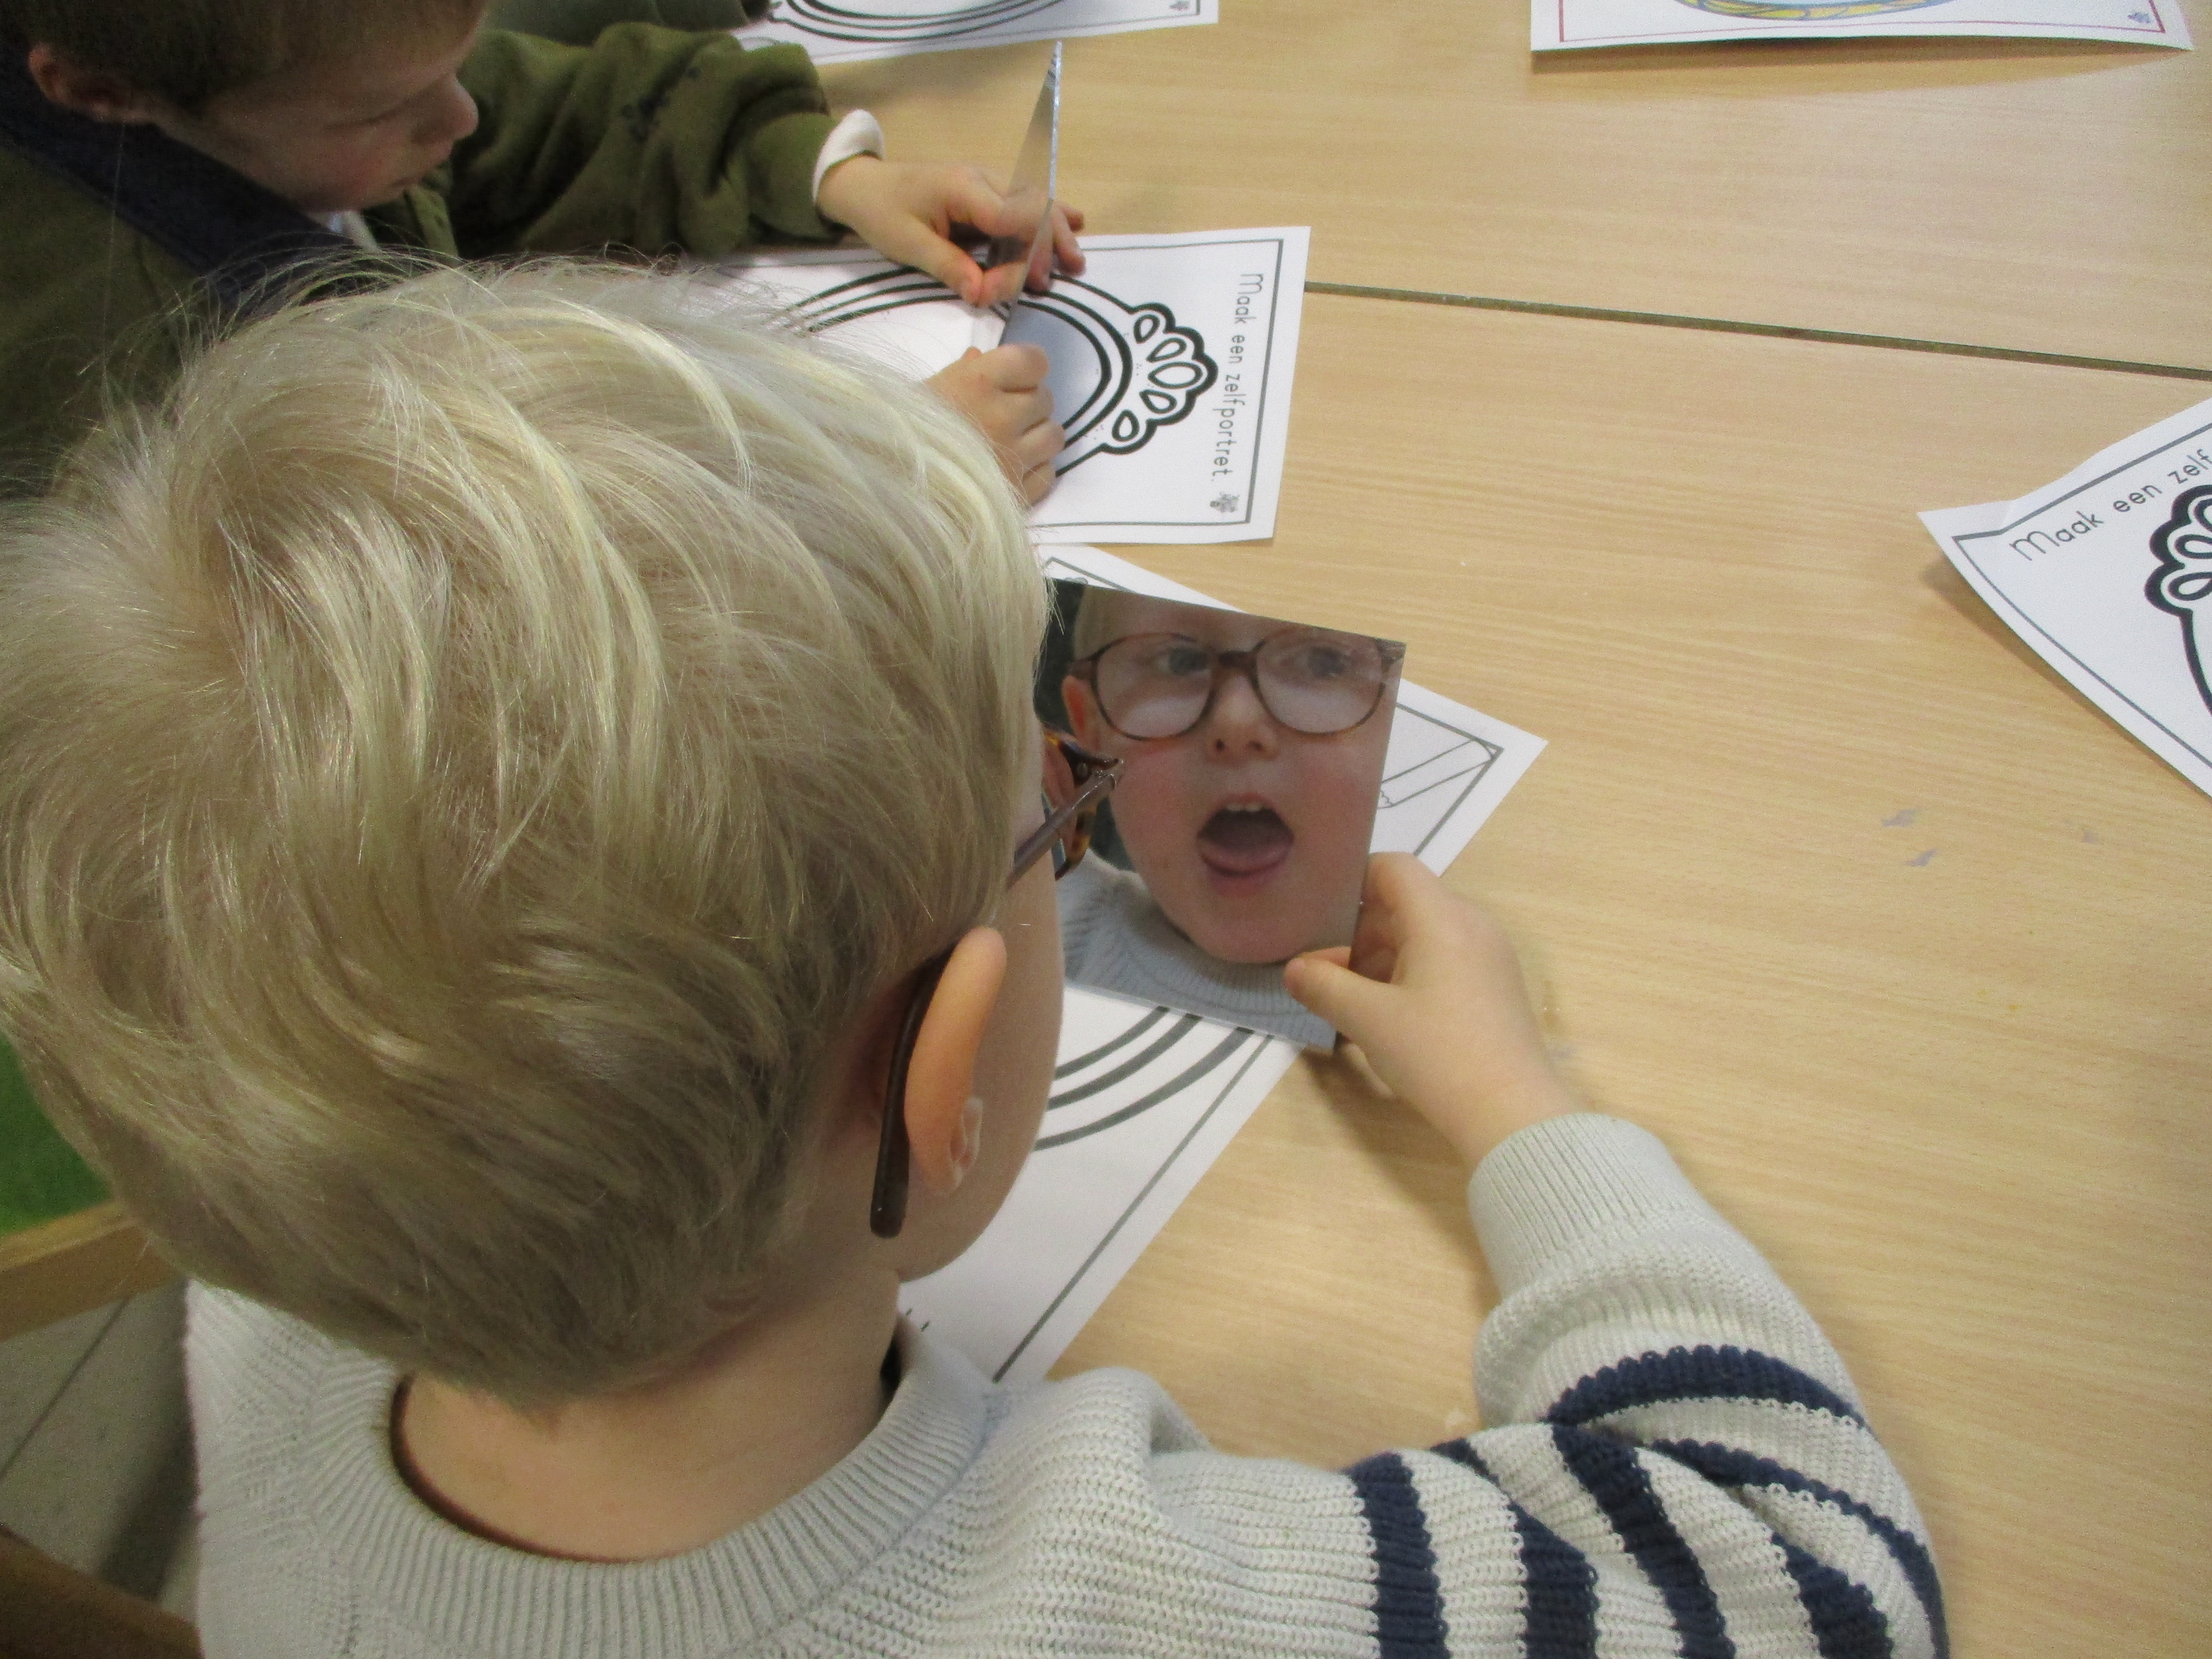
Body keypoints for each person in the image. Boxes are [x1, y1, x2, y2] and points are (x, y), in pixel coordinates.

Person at [0, 264, 1942, 1659]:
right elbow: (1811, 1576)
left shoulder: (271, 1291)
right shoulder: (1152, 1607)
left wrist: (843, 539)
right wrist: (1518, 1107)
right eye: (1047, 819)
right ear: (942, 1082)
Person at [0, 0, 1077, 501]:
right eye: (388, 110)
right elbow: (499, 627)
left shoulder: (301, 77)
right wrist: (881, 483)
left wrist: (824, 173)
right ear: (100, 95)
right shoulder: (148, 410)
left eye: (455, 65)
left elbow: (532, 121)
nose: (458, 120)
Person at [1056, 587, 1402, 1046]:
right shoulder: (1048, 926)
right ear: (1091, 727)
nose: (1236, 721)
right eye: (1179, 663)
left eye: (1323, 662)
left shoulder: (1454, 1011)